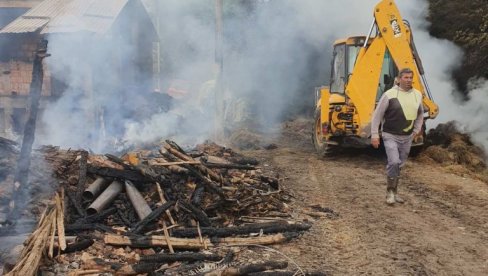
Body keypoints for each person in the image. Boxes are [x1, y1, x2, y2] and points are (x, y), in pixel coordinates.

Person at [371, 68, 424, 205]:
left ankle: (395, 192)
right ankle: (390, 192)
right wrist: (375, 134)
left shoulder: (417, 95)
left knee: (399, 164)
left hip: (407, 137)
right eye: (406, 78)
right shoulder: (389, 94)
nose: (409, 80)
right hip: (390, 134)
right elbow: (377, 116)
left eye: (410, 77)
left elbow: (420, 114)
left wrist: (416, 130)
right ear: (399, 79)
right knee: (394, 162)